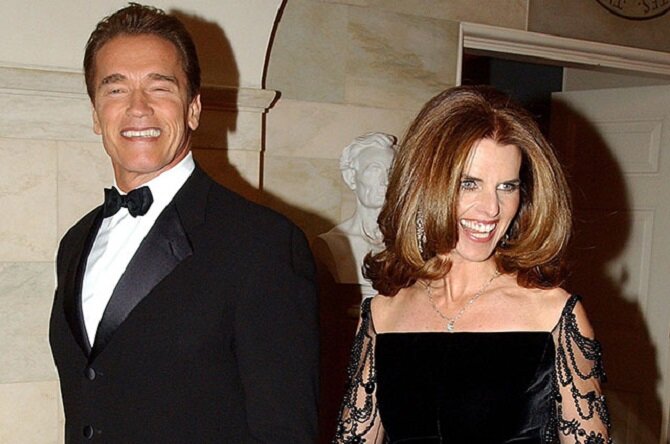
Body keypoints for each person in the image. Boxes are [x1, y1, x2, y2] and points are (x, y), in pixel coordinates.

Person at [49, 4, 318, 443]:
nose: (138, 107)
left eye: (160, 87)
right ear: (96, 115)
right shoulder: (75, 242)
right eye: (116, 89)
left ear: (193, 109)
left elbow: (284, 431)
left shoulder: (263, 243)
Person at [333, 86, 611, 443]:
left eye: (506, 187)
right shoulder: (384, 313)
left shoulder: (552, 313)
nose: (491, 209)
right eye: (469, 184)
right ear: (425, 184)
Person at [314, 132, 396, 298]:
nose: (385, 181)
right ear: (351, 177)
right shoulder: (332, 245)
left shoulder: (408, 245)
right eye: (374, 169)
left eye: (391, 171)